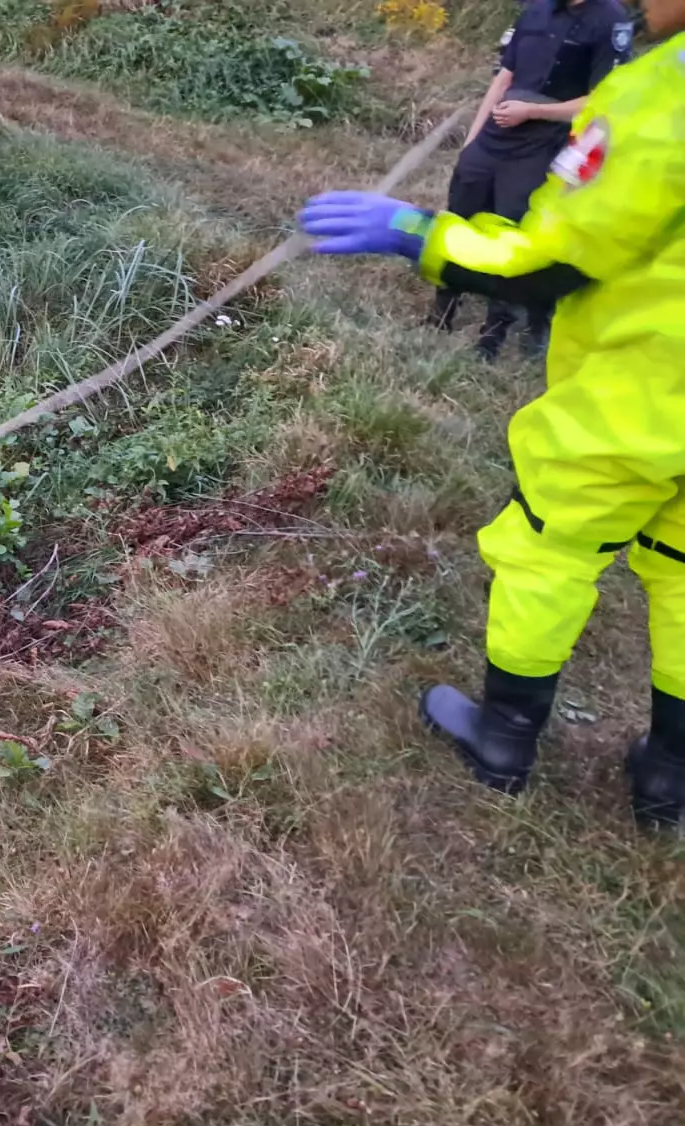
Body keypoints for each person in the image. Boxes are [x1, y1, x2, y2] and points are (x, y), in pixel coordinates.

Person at [297, 7, 685, 831]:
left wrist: (415, 232)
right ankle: (672, 777)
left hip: (645, 392)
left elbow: (550, 262)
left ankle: (504, 737)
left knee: (550, 550)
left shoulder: (665, 93)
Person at [429, 0, 635, 360]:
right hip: (495, 136)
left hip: (543, 143)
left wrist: (535, 111)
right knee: (459, 215)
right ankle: (440, 313)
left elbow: (604, 100)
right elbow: (504, 78)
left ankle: (493, 337)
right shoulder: (536, 9)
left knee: (509, 231)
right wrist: (472, 141)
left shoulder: (610, 20)